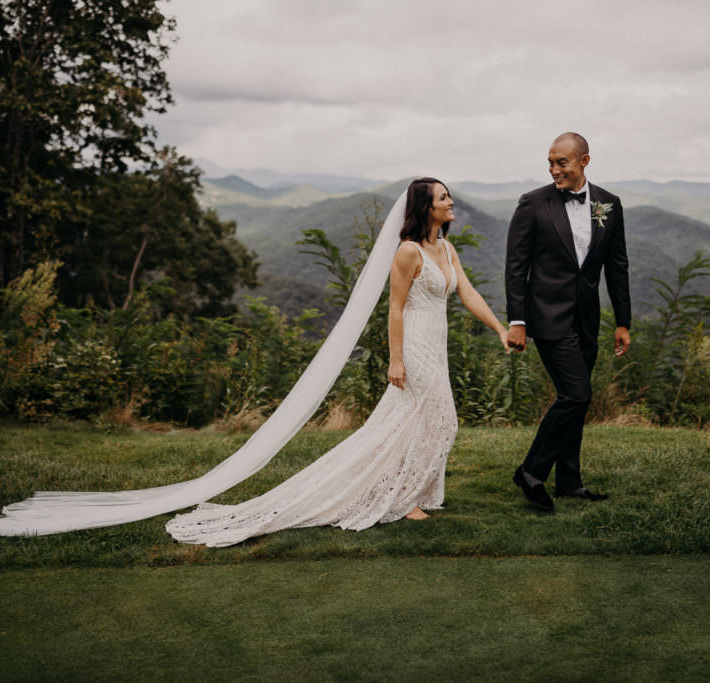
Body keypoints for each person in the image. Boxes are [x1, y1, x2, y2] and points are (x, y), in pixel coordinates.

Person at [164, 178, 508, 545]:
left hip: (436, 346)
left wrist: (500, 330)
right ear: (426, 207)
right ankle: (404, 498)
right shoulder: (408, 252)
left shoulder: (446, 248)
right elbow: (394, 308)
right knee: (434, 420)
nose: (451, 201)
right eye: (443, 197)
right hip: (415, 346)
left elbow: (468, 293)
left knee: (426, 421)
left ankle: (412, 492)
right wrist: (395, 360)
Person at [505, 132, 631, 510]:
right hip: (547, 317)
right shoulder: (532, 203)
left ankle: (570, 482)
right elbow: (515, 267)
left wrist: (623, 321)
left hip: (587, 318)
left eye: (562, 162)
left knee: (576, 401)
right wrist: (518, 321)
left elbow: (617, 266)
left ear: (584, 161)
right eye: (551, 162)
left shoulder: (610, 204)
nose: (554, 169)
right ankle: (531, 471)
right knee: (577, 394)